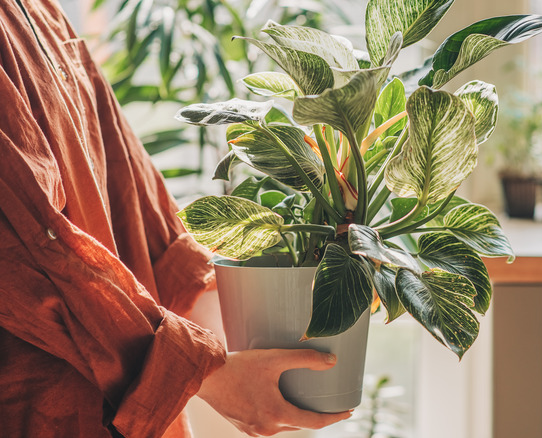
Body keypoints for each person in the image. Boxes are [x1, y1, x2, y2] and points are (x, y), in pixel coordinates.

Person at [0, 1, 351, 436]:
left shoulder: (41, 9)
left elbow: (127, 182)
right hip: (40, 407)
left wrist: (237, 328)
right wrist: (206, 372)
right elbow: (26, 247)